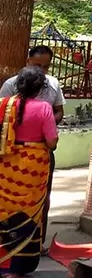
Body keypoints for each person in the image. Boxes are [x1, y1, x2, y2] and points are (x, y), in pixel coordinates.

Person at [0, 46, 66, 253]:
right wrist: (43, 127)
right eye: (38, 65)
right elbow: (52, 142)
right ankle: (28, 249)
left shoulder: (52, 85)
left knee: (6, 201)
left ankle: (8, 248)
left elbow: (4, 121)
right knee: (35, 201)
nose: (43, 70)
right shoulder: (11, 87)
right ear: (28, 60)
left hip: (8, 158)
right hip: (35, 160)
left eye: (46, 66)